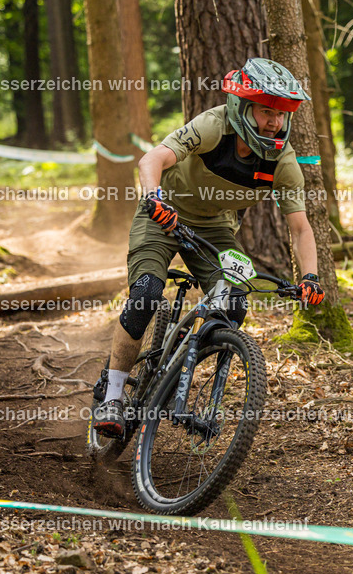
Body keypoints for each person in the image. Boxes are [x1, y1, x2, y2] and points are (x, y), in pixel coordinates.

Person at [93, 58, 325, 437]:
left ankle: (178, 357)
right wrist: (155, 199)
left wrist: (310, 277)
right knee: (146, 294)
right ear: (242, 108)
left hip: (214, 227)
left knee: (234, 304)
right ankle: (113, 392)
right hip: (162, 214)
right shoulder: (214, 126)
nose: (275, 123)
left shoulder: (283, 160)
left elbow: (300, 227)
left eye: (281, 115)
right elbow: (152, 158)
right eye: (267, 111)